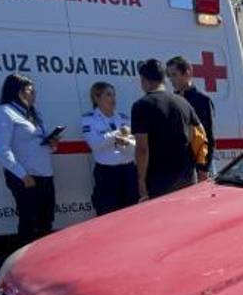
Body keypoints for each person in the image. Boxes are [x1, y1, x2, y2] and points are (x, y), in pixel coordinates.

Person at [0, 73, 60, 243]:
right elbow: (2, 149)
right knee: (29, 222)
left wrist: (51, 143)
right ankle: (25, 263)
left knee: (46, 220)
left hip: (44, 173)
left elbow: (37, 144)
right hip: (26, 177)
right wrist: (22, 175)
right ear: (18, 92)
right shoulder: (5, 112)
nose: (34, 94)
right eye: (30, 90)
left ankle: (46, 260)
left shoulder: (33, 113)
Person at [130, 58, 207, 200]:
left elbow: (142, 149)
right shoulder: (183, 102)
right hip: (187, 176)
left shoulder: (141, 106)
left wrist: (141, 181)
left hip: (159, 181)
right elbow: (199, 134)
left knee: (163, 220)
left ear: (144, 80)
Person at [81, 82, 138, 216]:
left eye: (114, 95)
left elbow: (136, 144)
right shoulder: (89, 120)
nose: (113, 99)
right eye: (108, 95)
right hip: (107, 175)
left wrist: (126, 142)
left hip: (128, 172)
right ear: (96, 98)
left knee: (132, 214)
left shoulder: (124, 118)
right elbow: (94, 144)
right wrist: (116, 134)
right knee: (108, 214)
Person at [166, 56, 215, 181]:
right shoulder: (171, 100)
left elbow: (208, 135)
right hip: (177, 167)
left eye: (174, 74)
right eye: (169, 75)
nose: (171, 80)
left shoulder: (201, 100)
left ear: (187, 73)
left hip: (197, 166)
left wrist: (204, 168)